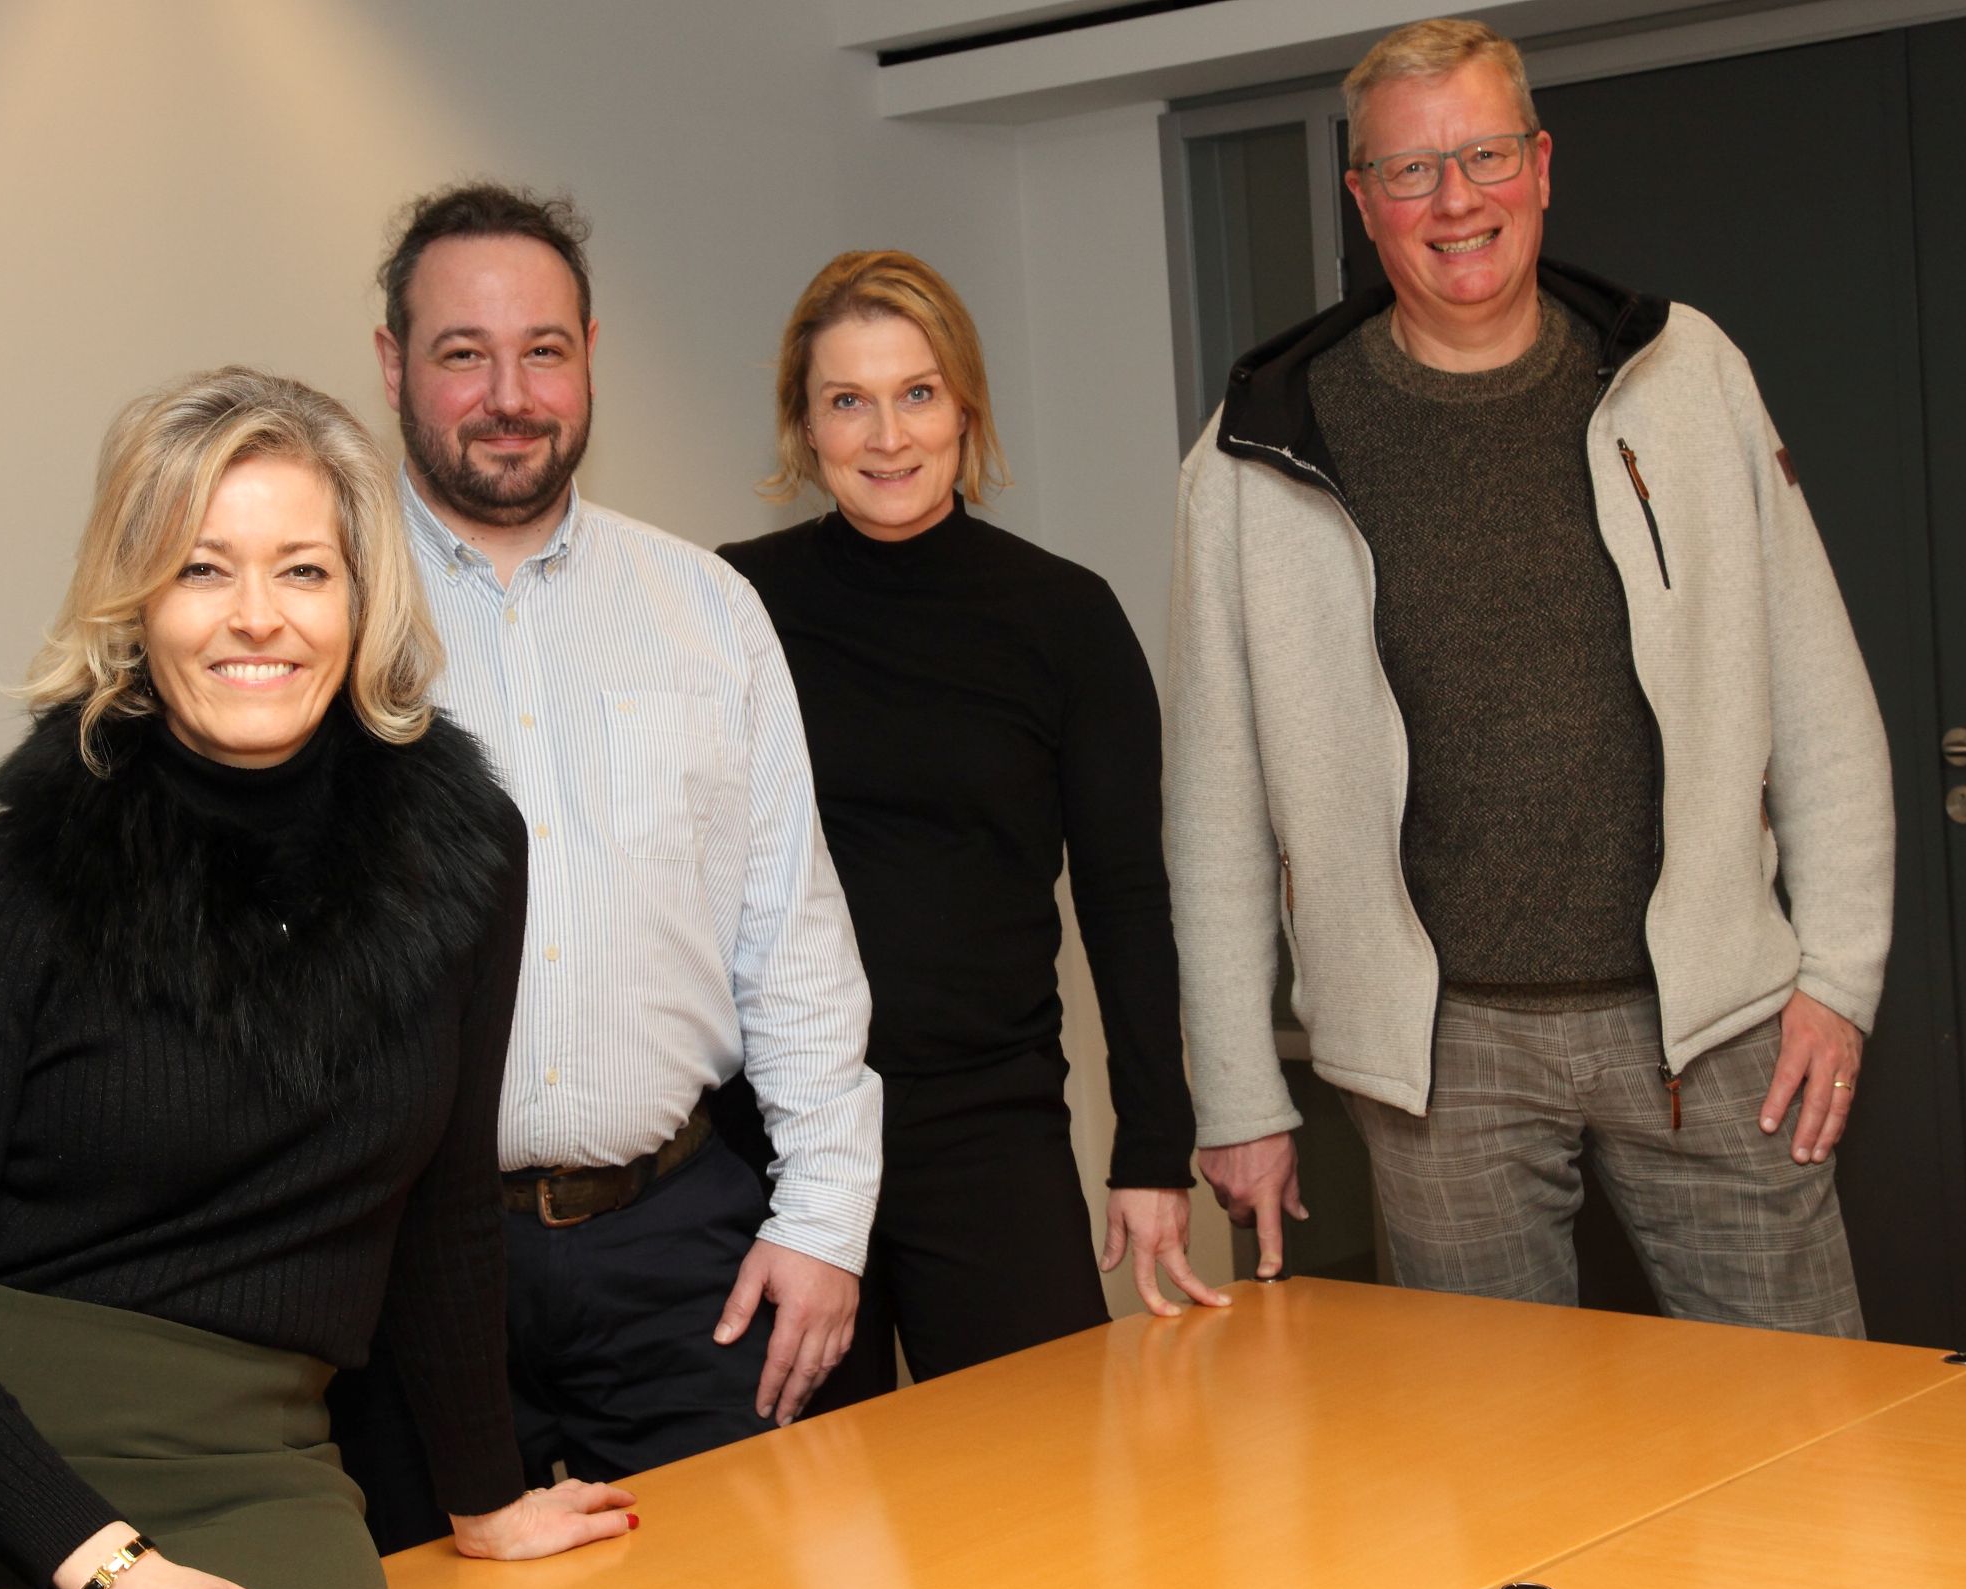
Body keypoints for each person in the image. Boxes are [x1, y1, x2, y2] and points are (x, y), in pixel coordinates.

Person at [0, 368, 631, 1589]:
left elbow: (442, 1213)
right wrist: (107, 1566)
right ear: (136, 605)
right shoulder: (5, 880)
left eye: (303, 570)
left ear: (362, 597)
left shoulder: (468, 854)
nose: (256, 618)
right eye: (202, 570)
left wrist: (483, 1494)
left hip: (249, 1471)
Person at [1165, 18, 1892, 1334]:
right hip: (1441, 1063)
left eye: (1484, 155)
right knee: (1492, 1437)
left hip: (1713, 1023)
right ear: (1362, 202)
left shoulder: (1685, 375)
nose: (1454, 200)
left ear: (1540, 166)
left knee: (1804, 1413)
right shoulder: (1260, 446)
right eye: (1409, 170)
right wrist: (1235, 1092)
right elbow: (1213, 806)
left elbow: (1817, 695)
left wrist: (1836, 979)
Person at [332, 184, 882, 1548]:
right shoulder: (318, 610)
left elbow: (790, 936)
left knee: (741, 1582)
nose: (508, 396)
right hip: (398, 1266)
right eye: (462, 353)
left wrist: (823, 1221)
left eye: (543, 351)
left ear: (588, 354)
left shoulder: (705, 610)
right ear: (393, 364)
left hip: (674, 1250)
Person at [717, 250, 1223, 1409]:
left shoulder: (1064, 617)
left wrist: (1153, 1148)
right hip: (777, 1137)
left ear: (965, 409)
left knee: (1040, 1479)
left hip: (986, 1128)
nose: (887, 436)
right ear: (803, 424)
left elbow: (1126, 901)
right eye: (848, 400)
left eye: (917, 393)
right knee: (806, 1498)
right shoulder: (733, 606)